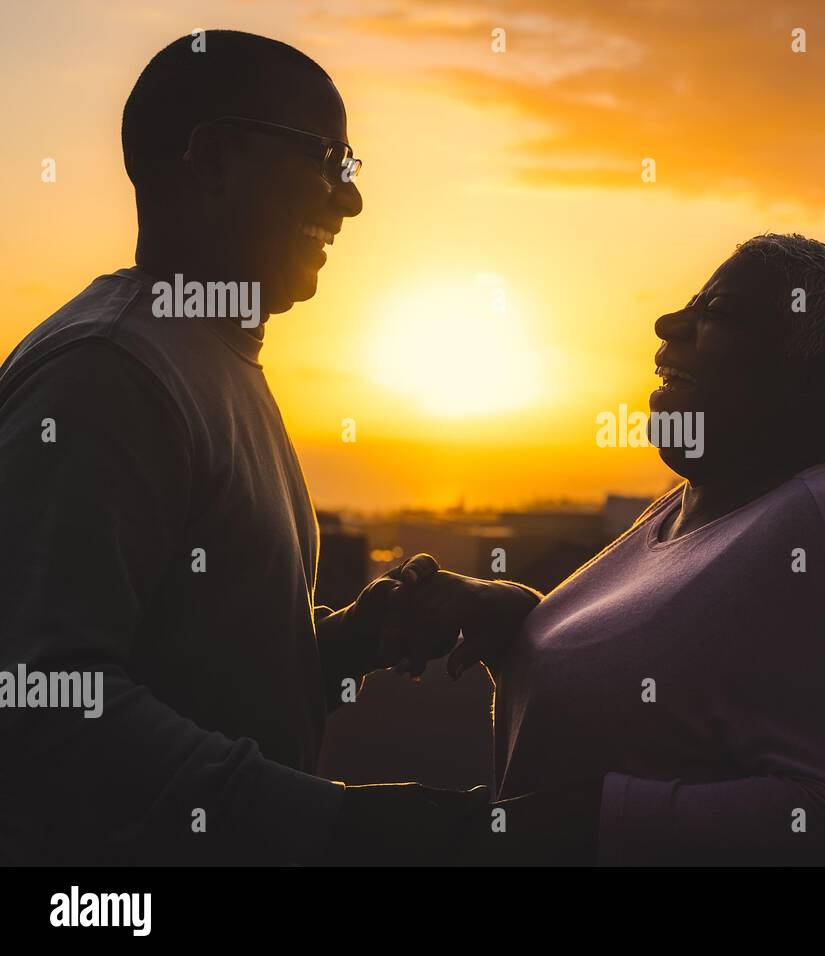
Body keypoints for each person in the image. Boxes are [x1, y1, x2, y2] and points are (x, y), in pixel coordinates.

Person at [0, 31, 518, 865]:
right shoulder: (111, 374)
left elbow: (181, 669)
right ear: (212, 160)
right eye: (329, 160)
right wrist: (348, 825)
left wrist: (346, 641)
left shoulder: (206, 356)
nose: (350, 202)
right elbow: (44, 701)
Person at [410, 234, 825, 865]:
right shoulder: (688, 509)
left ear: (811, 382)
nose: (668, 324)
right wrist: (521, 628)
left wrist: (583, 821)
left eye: (716, 314)